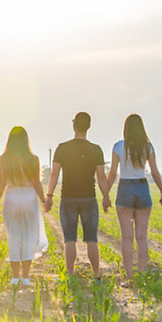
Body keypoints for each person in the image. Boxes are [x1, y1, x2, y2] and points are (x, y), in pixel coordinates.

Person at [45, 112, 111, 278]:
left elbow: (54, 175)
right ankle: (96, 275)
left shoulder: (62, 148)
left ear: (73, 125)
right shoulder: (96, 150)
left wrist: (49, 196)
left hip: (68, 198)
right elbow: (101, 177)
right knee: (92, 239)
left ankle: (70, 274)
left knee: (69, 239)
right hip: (89, 197)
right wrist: (106, 197)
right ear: (89, 126)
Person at [105, 114, 162, 283]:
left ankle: (130, 278)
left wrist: (105, 195)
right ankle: (142, 276)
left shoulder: (118, 146)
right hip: (142, 187)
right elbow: (154, 172)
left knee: (126, 237)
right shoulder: (147, 147)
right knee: (142, 237)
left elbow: (112, 174)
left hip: (125, 188)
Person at [0, 126, 48, 286]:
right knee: (29, 236)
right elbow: (37, 183)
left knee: (14, 236)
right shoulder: (34, 159)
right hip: (29, 195)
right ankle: (25, 277)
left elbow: (1, 183)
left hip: (12, 195)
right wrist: (44, 201)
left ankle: (15, 277)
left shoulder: (4, 159)